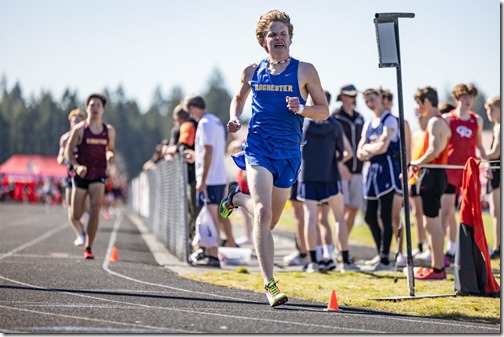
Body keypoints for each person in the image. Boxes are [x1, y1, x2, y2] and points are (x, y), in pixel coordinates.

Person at [219, 9, 329, 307]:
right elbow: (239, 98)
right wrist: (233, 117)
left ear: (290, 38)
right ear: (263, 41)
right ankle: (270, 284)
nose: (278, 38)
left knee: (269, 220)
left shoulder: (305, 70)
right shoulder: (252, 71)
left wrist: (302, 108)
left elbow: (324, 110)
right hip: (258, 148)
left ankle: (235, 198)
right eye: (272, 35)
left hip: (289, 154)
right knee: (264, 213)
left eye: (283, 34)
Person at [297, 100, 358, 273]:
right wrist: (335, 162)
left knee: (310, 218)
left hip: (307, 176)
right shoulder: (334, 125)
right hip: (330, 176)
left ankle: (313, 262)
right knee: (338, 218)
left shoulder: (303, 124)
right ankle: (345, 262)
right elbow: (345, 152)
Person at [184, 94, 237, 268]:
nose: (191, 116)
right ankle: (211, 250)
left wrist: (203, 178)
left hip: (210, 178)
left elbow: (208, 151)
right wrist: (197, 157)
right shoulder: (215, 121)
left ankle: (213, 253)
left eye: (190, 112)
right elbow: (213, 150)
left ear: (193, 108)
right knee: (214, 214)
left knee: (212, 214)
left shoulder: (205, 123)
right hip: (217, 176)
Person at [441, 84, 489, 263]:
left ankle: (470, 251)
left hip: (469, 172)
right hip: (449, 171)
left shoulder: (476, 120)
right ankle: (442, 251)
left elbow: (479, 146)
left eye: (470, 97)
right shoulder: (447, 118)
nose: (468, 100)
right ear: (457, 99)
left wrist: (487, 166)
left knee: (471, 212)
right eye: (464, 97)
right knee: (446, 212)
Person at [65, 93, 116, 259]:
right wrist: (77, 166)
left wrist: (109, 156)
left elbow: (111, 149)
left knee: (95, 211)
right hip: (81, 175)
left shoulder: (109, 131)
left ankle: (88, 247)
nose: (95, 108)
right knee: (75, 215)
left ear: (103, 109)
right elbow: (68, 153)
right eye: (91, 105)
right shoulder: (79, 129)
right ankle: (82, 233)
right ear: (87, 108)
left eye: (98, 105)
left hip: (98, 175)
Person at [357, 88, 402, 272]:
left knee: (386, 215)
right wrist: (370, 149)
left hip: (387, 169)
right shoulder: (369, 124)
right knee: (368, 215)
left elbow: (384, 148)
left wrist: (369, 148)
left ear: (381, 99)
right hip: (372, 171)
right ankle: (381, 254)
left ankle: (385, 259)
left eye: (373, 98)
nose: (370, 103)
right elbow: (359, 152)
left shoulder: (390, 120)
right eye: (367, 100)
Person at [409, 86, 451, 280]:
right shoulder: (439, 121)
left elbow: (433, 150)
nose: (418, 107)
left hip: (433, 173)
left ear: (426, 101)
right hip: (434, 173)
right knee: (430, 222)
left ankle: (437, 269)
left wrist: (415, 163)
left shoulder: (435, 121)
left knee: (432, 223)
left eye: (419, 103)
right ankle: (437, 266)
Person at [381, 89, 411, 267]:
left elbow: (408, 149)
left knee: (395, 216)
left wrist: (407, 170)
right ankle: (388, 250)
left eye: (387, 103)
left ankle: (401, 251)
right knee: (382, 215)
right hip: (384, 176)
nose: (384, 107)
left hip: (399, 173)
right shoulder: (379, 124)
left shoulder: (402, 123)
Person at [333, 84, 365, 235]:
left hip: (358, 169)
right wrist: (338, 164)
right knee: (341, 210)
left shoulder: (360, 118)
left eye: (354, 96)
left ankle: (343, 245)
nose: (352, 99)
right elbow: (330, 145)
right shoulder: (335, 117)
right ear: (342, 97)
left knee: (354, 209)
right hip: (340, 169)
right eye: (349, 95)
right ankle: (339, 249)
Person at [164, 105, 198, 241]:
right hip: (200, 174)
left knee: (193, 210)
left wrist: (170, 150)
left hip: (193, 175)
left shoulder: (187, 126)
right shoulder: (199, 124)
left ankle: (193, 241)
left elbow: (182, 147)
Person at [57, 108, 88, 246]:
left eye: (79, 121)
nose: (76, 123)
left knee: (83, 207)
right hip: (71, 176)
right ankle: (80, 234)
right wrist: (61, 158)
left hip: (86, 175)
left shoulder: (85, 137)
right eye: (74, 121)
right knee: (71, 207)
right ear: (70, 123)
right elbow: (60, 155)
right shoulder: (65, 138)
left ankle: (84, 221)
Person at [409, 109, 428, 257]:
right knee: (417, 213)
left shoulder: (429, 132)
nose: (419, 117)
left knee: (427, 213)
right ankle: (420, 244)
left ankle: (429, 245)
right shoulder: (415, 134)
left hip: (424, 176)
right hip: (414, 177)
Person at [484, 96, 500, 259]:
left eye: (492, 109)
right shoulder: (497, 127)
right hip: (494, 171)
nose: (489, 113)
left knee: (496, 212)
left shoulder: (500, 127)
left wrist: (477, 155)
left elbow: (496, 152)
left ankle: (498, 247)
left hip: (498, 171)